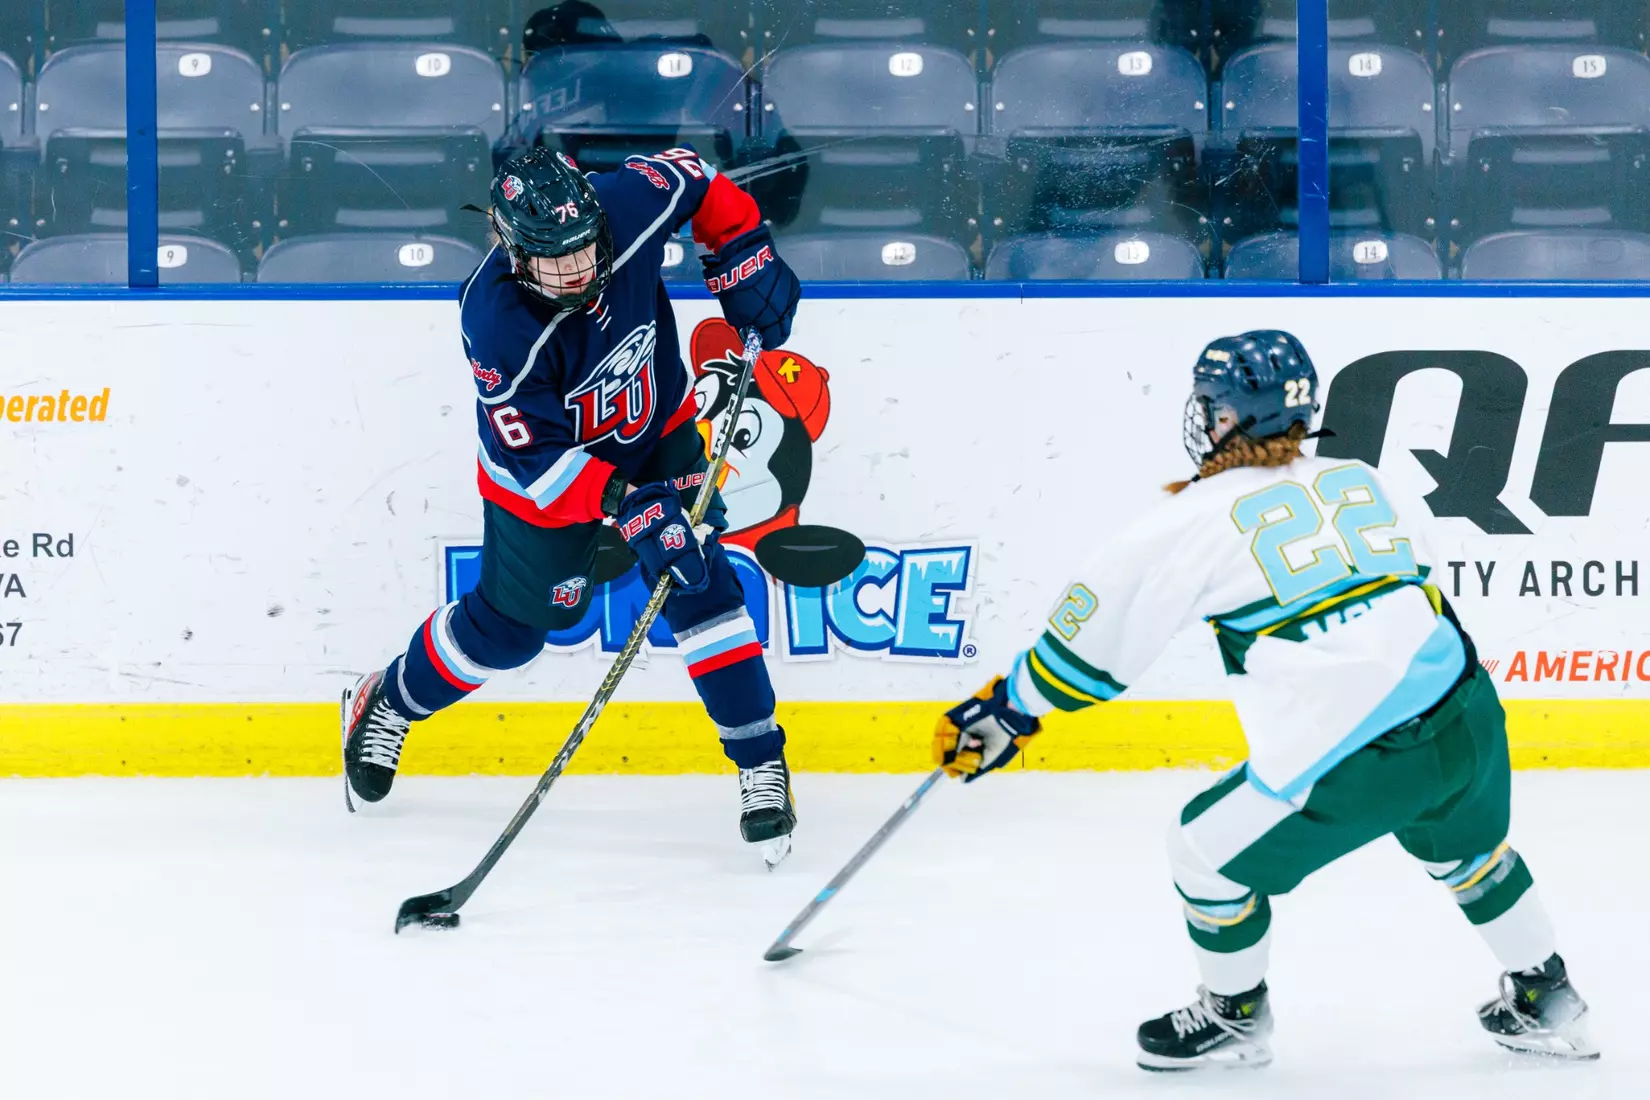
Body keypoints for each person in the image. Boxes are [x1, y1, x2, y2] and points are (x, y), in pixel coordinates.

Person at [931, 331, 1596, 1069]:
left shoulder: (1189, 519)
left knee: (1202, 854)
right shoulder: (1360, 477)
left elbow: (1084, 656)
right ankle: (1549, 996)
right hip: (1467, 708)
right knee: (1468, 850)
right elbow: (1418, 579)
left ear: (1221, 419)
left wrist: (1007, 709)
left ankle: (1234, 1016)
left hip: (1362, 752)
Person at [342, 145, 803, 865]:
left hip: (658, 430)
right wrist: (629, 505)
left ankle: (760, 764)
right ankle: (387, 702)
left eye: (585, 249)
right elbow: (537, 460)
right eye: (554, 261)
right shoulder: (495, 320)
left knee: (698, 582)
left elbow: (703, 182)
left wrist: (744, 255)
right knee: (511, 634)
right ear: (513, 250)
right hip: (546, 476)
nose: (578, 271)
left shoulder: (629, 203)